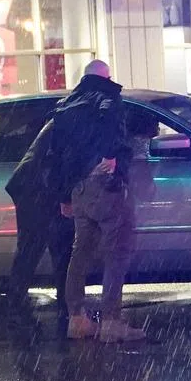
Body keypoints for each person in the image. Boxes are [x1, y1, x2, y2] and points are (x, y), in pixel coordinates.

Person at [58, 60, 145, 343]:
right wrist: (112, 158)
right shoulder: (107, 99)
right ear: (106, 77)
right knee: (117, 251)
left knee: (80, 252)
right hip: (103, 184)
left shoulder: (67, 105)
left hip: (78, 187)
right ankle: (111, 321)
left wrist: (64, 194)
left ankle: (76, 319)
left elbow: (59, 151)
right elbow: (113, 131)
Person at [3, 116, 75, 323]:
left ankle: (19, 303)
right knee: (53, 246)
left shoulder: (66, 118)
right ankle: (61, 305)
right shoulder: (72, 123)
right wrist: (64, 198)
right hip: (37, 188)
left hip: (32, 185)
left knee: (37, 247)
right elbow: (54, 165)